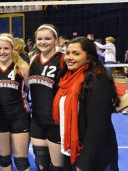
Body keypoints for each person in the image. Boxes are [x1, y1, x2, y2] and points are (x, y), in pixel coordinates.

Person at [52, 37, 119, 171]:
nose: (69, 57)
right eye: (68, 53)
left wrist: (83, 164)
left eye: (76, 53)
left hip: (92, 154)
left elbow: (97, 128)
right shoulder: (66, 78)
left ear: (88, 58)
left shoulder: (97, 82)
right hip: (72, 149)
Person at [0, 34, 31, 171]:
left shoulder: (22, 67)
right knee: (4, 159)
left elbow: (35, 91)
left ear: (12, 49)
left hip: (19, 117)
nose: (2, 52)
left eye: (6, 48)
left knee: (21, 161)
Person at [28, 24, 64, 171]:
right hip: (37, 120)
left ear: (55, 40)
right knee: (41, 165)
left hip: (56, 121)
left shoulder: (63, 60)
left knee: (57, 167)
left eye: (48, 38)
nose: (43, 42)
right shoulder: (34, 59)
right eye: (40, 39)